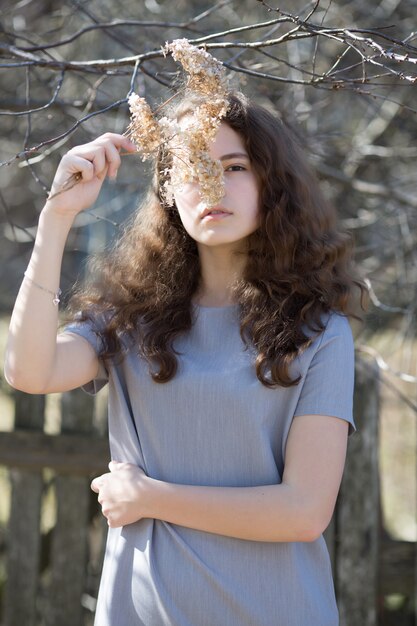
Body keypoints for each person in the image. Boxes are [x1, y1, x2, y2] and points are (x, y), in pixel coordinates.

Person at [5, 90, 364, 626]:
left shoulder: (321, 334)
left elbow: (303, 512)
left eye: (235, 166)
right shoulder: (130, 318)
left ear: (273, 183)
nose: (212, 184)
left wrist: (149, 498)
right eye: (193, 166)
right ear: (169, 191)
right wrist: (57, 217)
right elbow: (28, 372)